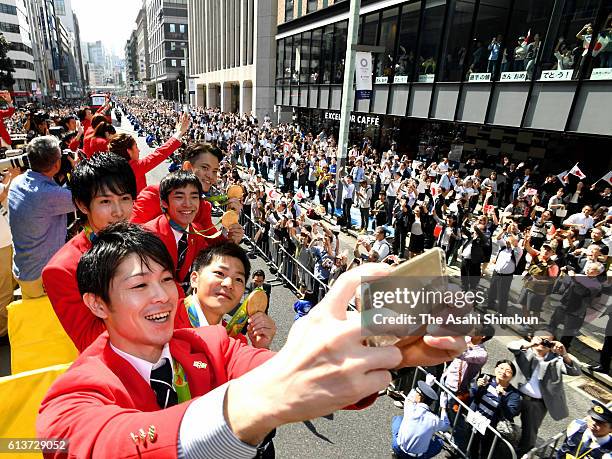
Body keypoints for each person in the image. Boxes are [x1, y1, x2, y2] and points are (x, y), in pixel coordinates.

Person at [37, 222, 466, 458]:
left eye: (167, 279)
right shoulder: (71, 395)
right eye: (139, 285)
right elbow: (101, 444)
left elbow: (292, 373)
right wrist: (260, 403)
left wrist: (380, 351)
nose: (162, 296)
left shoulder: (209, 343)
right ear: (96, 305)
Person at [42, 153, 154, 352]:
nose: (119, 212)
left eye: (125, 198)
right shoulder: (62, 270)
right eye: (105, 201)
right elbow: (89, 341)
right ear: (82, 205)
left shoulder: (143, 237)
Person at [130, 142, 244, 245]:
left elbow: (214, 244)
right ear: (187, 167)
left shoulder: (204, 207)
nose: (211, 176)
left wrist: (229, 229)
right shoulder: (154, 194)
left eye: (214, 171)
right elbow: (129, 237)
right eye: (205, 167)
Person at [8, 136, 75, 299]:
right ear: (57, 164)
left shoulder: (17, 182)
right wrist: (75, 168)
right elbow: (81, 200)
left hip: (25, 269)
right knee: (47, 321)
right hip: (41, 276)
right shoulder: (47, 195)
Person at [508, 332, 581, 456]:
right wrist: (531, 344)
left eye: (547, 341)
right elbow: (511, 345)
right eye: (540, 339)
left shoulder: (556, 360)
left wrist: (564, 353)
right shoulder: (525, 350)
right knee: (500, 418)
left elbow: (575, 371)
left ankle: (520, 455)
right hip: (515, 395)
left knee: (529, 436)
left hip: (537, 404)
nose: (542, 343)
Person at [143, 171, 211, 294]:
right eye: (179, 197)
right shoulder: (148, 235)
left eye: (194, 197)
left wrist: (232, 239)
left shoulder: (197, 232)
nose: (188, 204)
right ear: (164, 202)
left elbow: (208, 261)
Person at [109, 112, 190, 194]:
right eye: (136, 147)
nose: (139, 150)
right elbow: (159, 154)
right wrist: (179, 133)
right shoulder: (133, 168)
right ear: (129, 151)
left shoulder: (112, 168)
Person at [468, 360, 522, 459]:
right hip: (474, 420)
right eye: (501, 368)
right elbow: (471, 395)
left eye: (508, 371)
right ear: (495, 368)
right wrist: (477, 387)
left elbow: (510, 414)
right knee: (469, 445)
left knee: (484, 452)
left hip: (491, 429)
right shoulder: (486, 378)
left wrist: (502, 397)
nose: (503, 372)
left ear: (512, 376)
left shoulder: (514, 394)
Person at [391, 380, 450, 459]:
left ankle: (396, 454)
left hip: (398, 448)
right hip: (415, 457)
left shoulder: (410, 407)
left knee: (398, 419)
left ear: (420, 397)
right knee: (439, 442)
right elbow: (446, 426)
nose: (416, 394)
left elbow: (410, 397)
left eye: (417, 393)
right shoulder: (434, 420)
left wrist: (427, 383)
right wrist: (443, 407)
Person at [487, 232, 522, 316]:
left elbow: (515, 246)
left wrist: (512, 242)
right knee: (492, 290)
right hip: (496, 273)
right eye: (508, 240)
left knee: (502, 295)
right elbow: (498, 238)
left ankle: (501, 312)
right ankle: (490, 305)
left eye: (511, 240)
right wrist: (503, 230)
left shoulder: (518, 251)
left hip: (506, 276)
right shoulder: (503, 248)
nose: (508, 241)